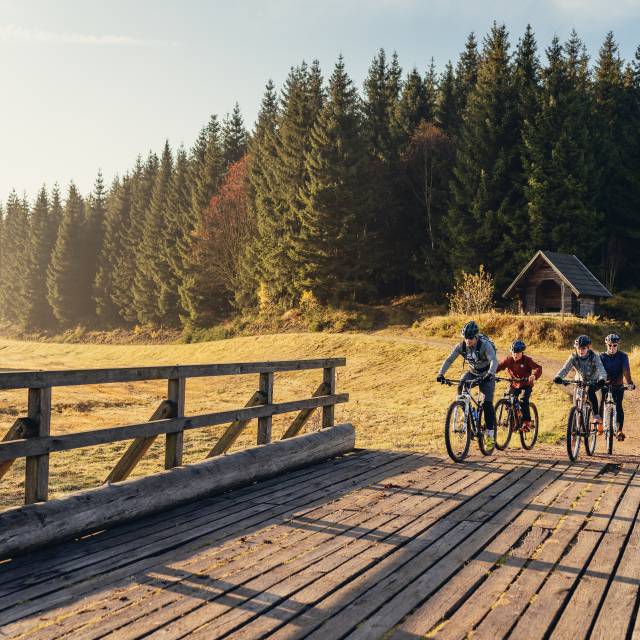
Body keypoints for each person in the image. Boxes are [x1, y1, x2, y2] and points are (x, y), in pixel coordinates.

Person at [437, 320, 498, 439]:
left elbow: (493, 361)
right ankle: (464, 407)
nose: (467, 340)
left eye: (470, 338)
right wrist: (441, 374)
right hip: (472, 372)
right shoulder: (461, 346)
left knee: (487, 403)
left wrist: (490, 374)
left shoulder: (485, 345)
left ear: (476, 337)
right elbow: (449, 360)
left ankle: (490, 434)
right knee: (461, 384)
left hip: (487, 375)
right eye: (465, 338)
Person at [554, 335, 606, 429]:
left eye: (583, 348)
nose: (580, 351)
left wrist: (602, 379)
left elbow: (601, 369)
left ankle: (596, 416)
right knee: (576, 404)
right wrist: (558, 376)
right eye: (578, 348)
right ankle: (575, 425)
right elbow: (565, 369)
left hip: (593, 381)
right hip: (579, 381)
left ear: (588, 348)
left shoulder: (594, 356)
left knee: (590, 392)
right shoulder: (573, 356)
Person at [496, 339, 542, 431]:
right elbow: (499, 366)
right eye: (513, 352)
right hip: (514, 384)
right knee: (508, 400)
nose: (515, 355)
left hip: (526, 384)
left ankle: (526, 423)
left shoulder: (527, 360)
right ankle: (513, 420)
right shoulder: (508, 360)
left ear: (522, 352)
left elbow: (538, 368)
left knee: (523, 400)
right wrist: (491, 373)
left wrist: (533, 375)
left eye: (518, 353)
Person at [599, 333, 635, 441]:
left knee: (618, 406)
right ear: (606, 345)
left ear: (617, 345)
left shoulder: (623, 356)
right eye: (609, 345)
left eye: (614, 345)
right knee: (601, 403)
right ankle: (599, 426)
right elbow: (598, 370)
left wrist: (629, 383)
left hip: (618, 386)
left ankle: (619, 430)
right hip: (605, 385)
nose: (612, 348)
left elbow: (626, 370)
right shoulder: (601, 356)